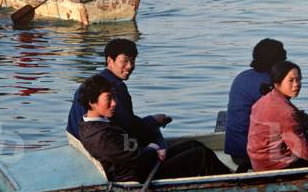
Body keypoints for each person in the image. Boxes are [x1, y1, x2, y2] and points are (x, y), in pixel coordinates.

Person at [76, 74, 230, 182]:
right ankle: (232, 185)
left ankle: (228, 176)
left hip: (143, 161)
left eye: (114, 97)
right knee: (200, 155)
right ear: (91, 102)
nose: (114, 103)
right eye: (108, 99)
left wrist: (150, 148)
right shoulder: (99, 135)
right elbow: (136, 159)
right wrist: (153, 149)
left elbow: (125, 145)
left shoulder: (99, 122)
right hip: (141, 175)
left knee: (193, 144)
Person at [67, 39, 171, 149]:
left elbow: (123, 119)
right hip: (103, 145)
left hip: (78, 140)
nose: (130, 66)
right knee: (153, 132)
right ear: (110, 60)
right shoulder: (114, 87)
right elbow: (128, 127)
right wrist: (153, 121)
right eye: (124, 61)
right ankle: (160, 158)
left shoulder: (91, 83)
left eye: (132, 61)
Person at [247, 61, 308, 172]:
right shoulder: (285, 111)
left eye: (299, 80)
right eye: (291, 80)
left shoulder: (265, 100)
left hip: (259, 161)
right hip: (274, 166)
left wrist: (302, 121)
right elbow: (303, 151)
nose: (296, 84)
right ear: (277, 83)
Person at [224, 38, 288, 172]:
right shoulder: (270, 84)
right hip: (249, 153)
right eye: (283, 54)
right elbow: (280, 124)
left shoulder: (242, 76)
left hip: (234, 148)